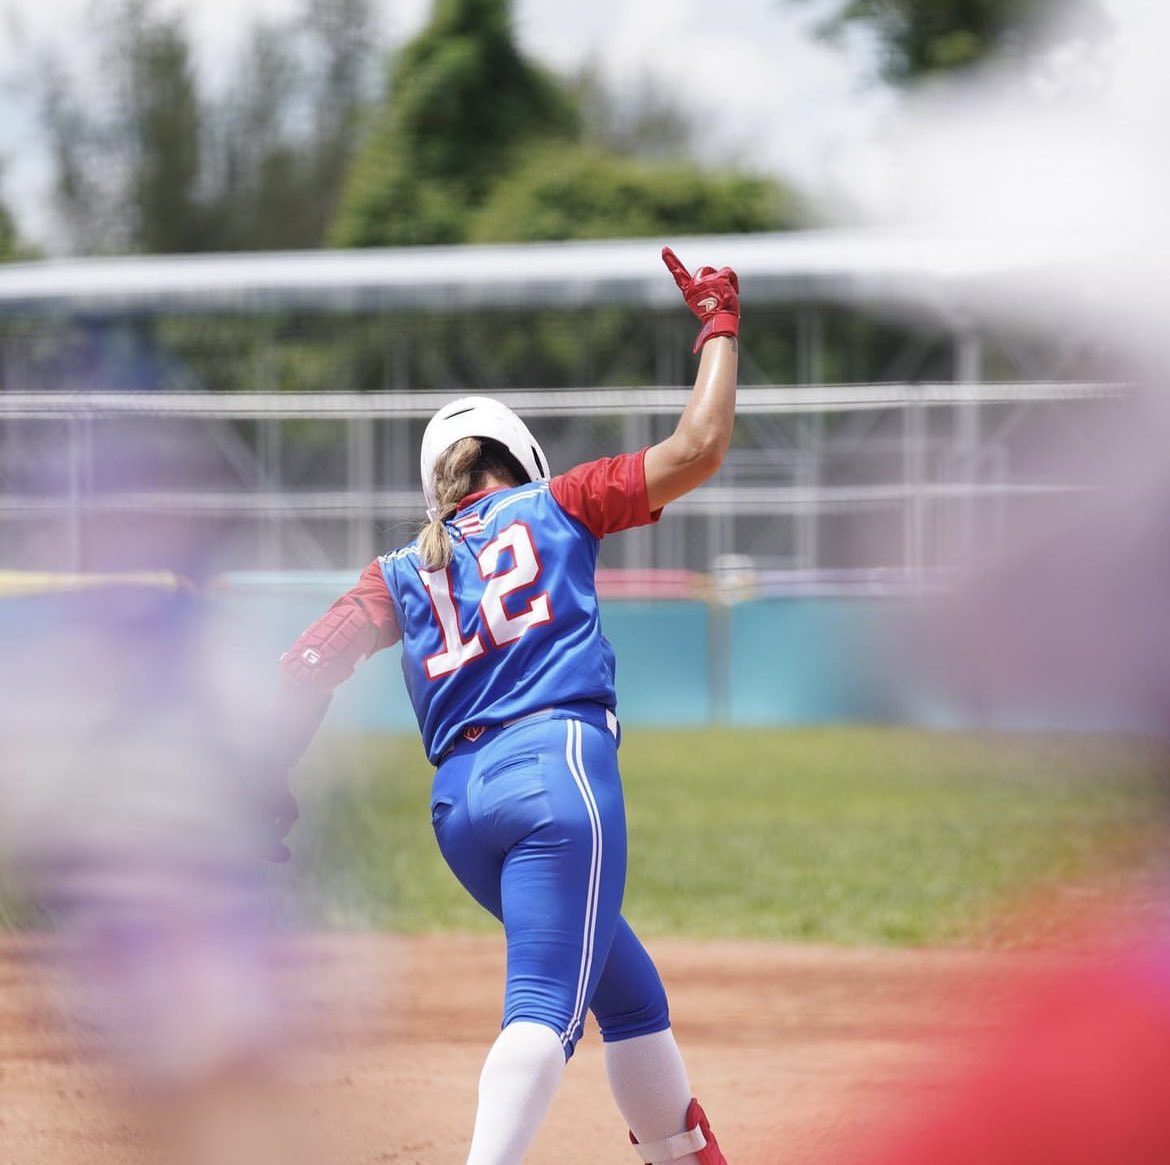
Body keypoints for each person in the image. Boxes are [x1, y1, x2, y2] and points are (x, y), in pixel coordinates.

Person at [270, 246, 740, 1165]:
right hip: (556, 775)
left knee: (629, 996)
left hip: (460, 810)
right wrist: (720, 323)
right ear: (519, 458)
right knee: (543, 1014)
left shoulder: (400, 570)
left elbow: (301, 670)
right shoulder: (559, 502)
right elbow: (700, 447)